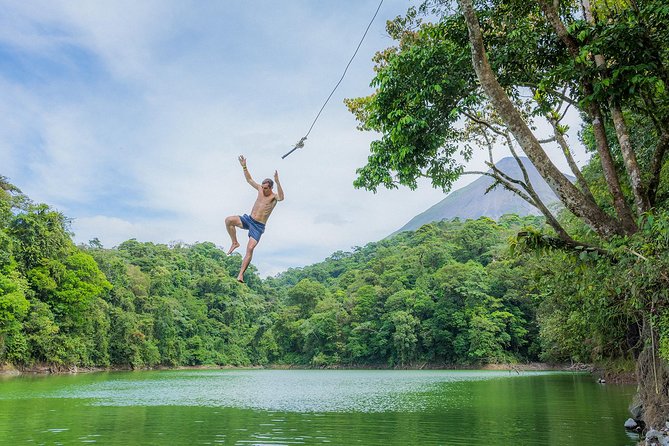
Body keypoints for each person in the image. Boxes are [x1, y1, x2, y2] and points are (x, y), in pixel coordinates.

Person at [225, 155, 284, 283]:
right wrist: (244, 166)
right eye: (262, 187)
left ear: (271, 187)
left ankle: (241, 274)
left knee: (250, 248)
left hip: (258, 226)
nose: (263, 189)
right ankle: (235, 242)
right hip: (249, 220)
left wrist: (278, 182)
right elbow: (249, 180)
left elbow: (282, 198)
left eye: (266, 188)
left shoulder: (274, 197)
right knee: (229, 220)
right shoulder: (260, 189)